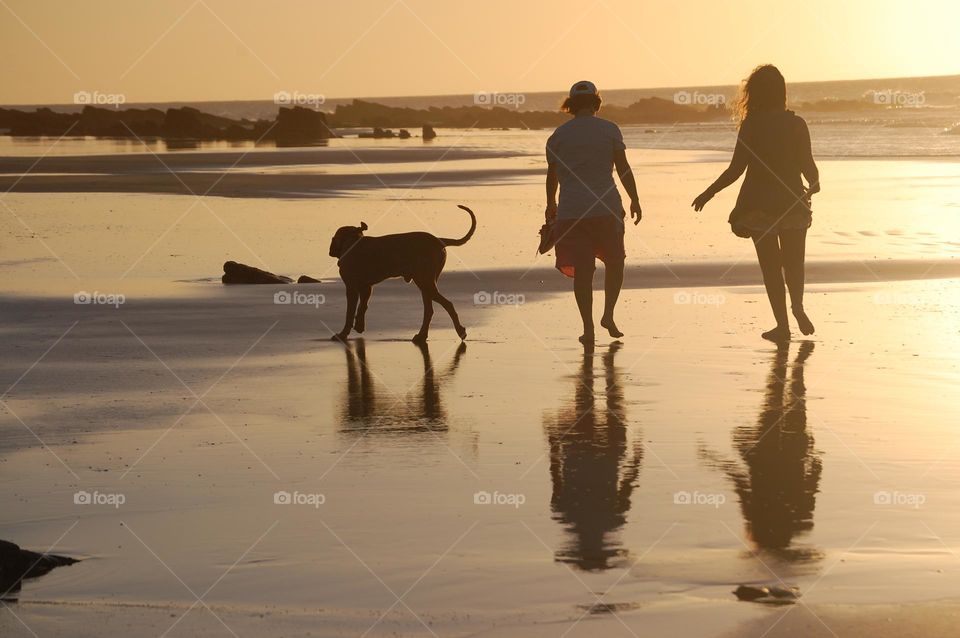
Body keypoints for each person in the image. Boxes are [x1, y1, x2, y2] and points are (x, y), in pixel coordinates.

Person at [692, 65, 820, 342]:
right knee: (795, 263)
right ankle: (797, 306)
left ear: (755, 93)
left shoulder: (753, 125)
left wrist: (709, 192)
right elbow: (807, 165)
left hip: (759, 205)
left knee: (771, 268)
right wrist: (814, 183)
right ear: (782, 92)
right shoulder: (797, 124)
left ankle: (782, 326)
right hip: (792, 201)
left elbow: (736, 169)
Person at [545, 81, 642, 346]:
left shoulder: (558, 135)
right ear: (597, 103)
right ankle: (608, 315)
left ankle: (588, 329)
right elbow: (623, 168)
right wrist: (635, 198)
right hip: (606, 208)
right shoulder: (610, 129)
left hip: (572, 211)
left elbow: (552, 175)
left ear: (571, 105)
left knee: (583, 271)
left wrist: (549, 204)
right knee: (615, 262)